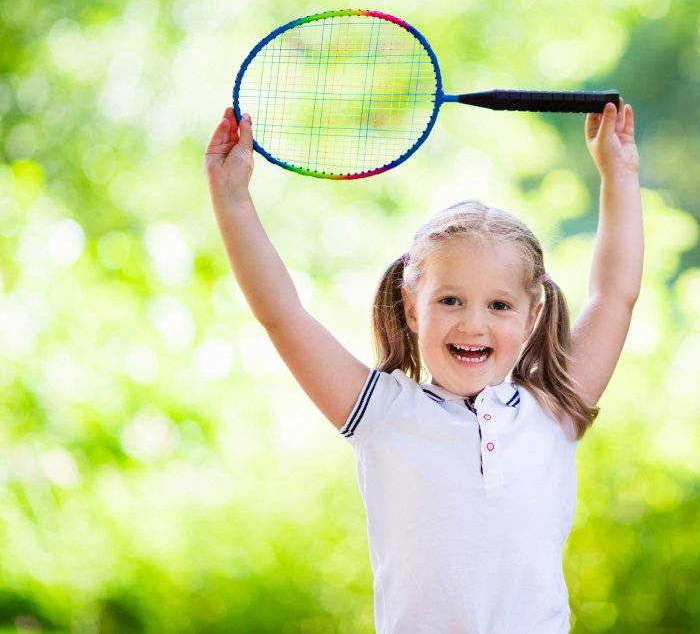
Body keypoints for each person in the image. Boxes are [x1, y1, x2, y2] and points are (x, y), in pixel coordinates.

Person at [204, 100, 642, 633]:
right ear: (412, 307)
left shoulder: (552, 408)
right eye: (450, 301)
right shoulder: (381, 412)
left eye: (499, 305)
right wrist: (230, 196)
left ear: (533, 316)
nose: (473, 324)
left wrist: (618, 173)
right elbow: (281, 314)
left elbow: (615, 294)